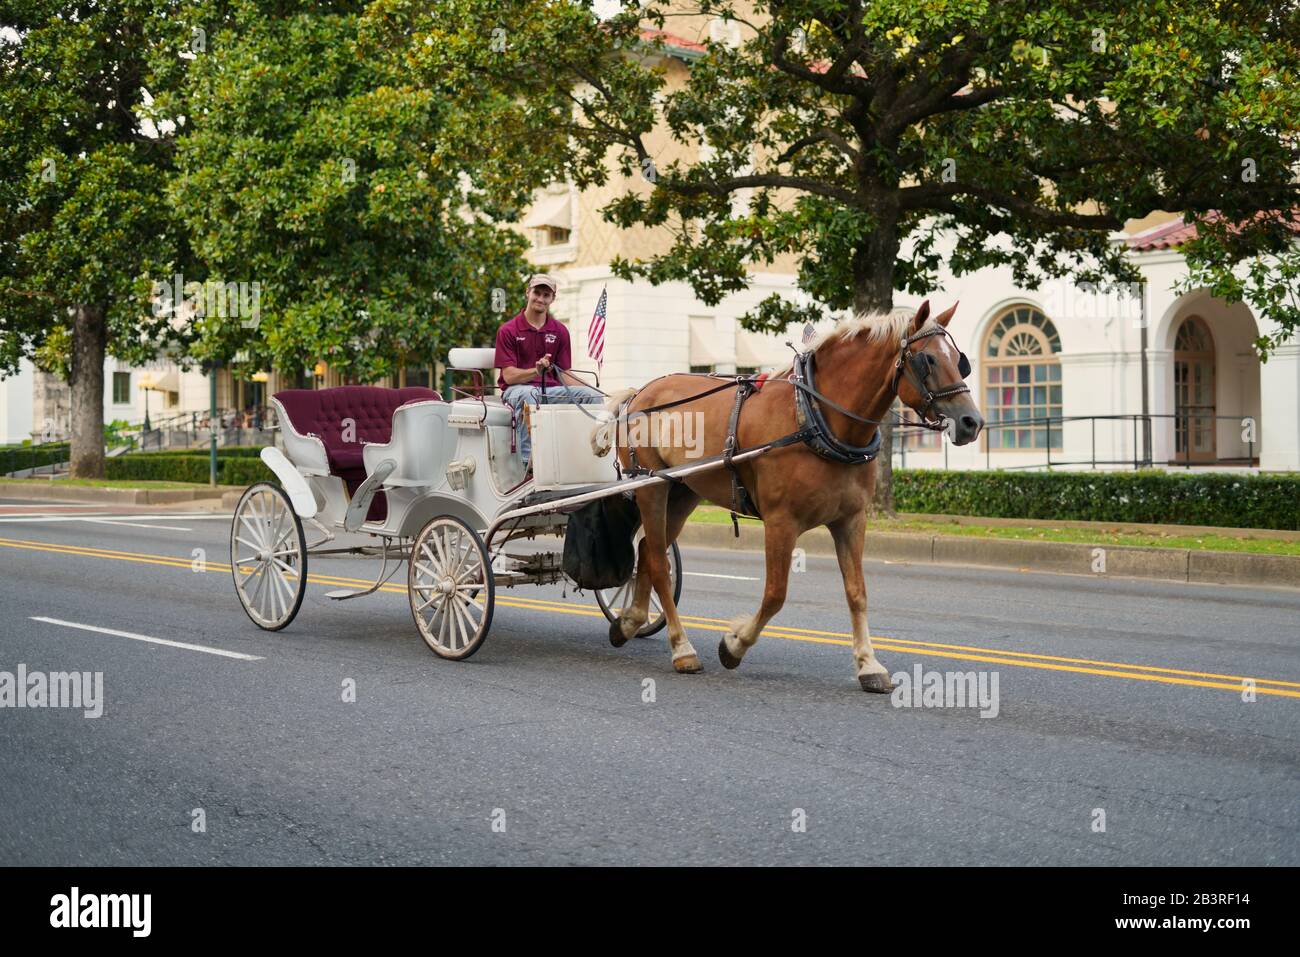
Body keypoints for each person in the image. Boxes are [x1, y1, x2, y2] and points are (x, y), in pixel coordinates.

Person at [494, 274, 604, 467]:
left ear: (552, 299)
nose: (540, 298)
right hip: (516, 392)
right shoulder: (508, 330)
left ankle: (591, 459)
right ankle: (529, 465)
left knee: (591, 396)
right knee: (531, 394)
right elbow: (509, 376)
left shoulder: (560, 331)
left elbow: (564, 374)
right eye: (537, 292)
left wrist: (594, 389)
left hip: (551, 391)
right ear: (527, 292)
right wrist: (535, 371)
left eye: (546, 295)